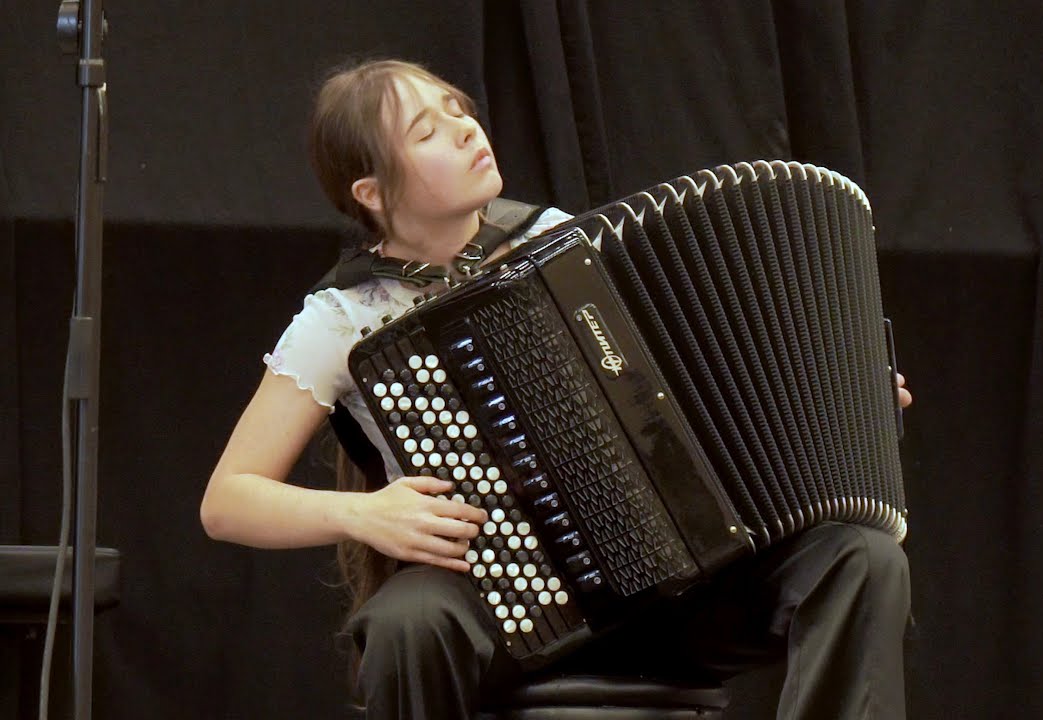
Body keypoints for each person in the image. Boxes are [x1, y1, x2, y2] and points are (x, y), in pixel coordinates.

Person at [200, 58, 914, 719]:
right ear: (374, 193)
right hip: (500, 605)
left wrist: (843, 390)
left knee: (860, 556)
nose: (465, 128)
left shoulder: (561, 240)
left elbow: (687, 387)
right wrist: (364, 516)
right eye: (428, 130)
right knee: (404, 620)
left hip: (674, 597)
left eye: (457, 110)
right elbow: (229, 501)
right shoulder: (344, 317)